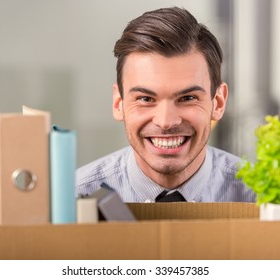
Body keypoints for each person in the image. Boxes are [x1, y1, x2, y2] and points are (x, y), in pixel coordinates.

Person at [76, 7, 256, 203]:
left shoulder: (264, 198)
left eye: (188, 98)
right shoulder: (70, 200)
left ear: (218, 102)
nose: (165, 122)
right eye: (145, 99)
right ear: (119, 103)